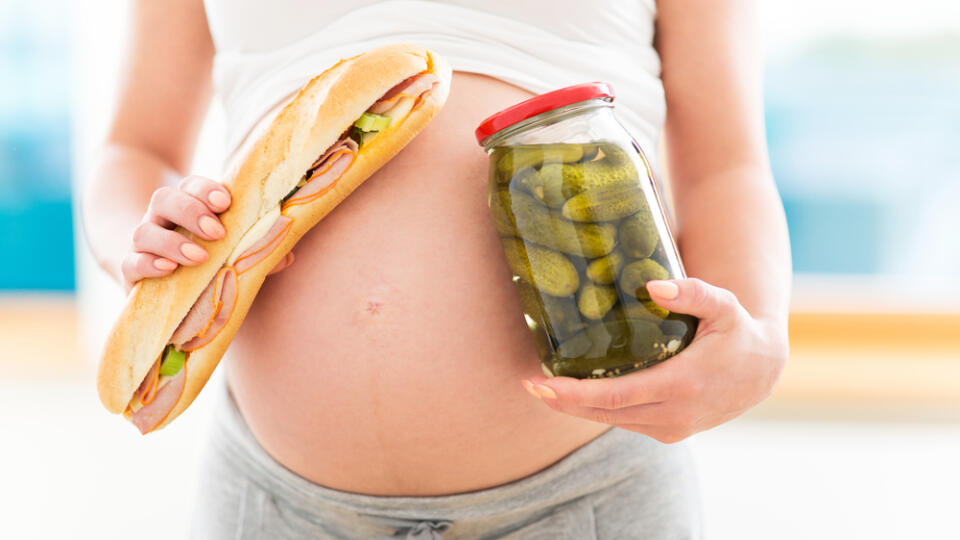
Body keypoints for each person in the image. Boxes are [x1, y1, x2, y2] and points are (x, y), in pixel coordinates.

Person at [81, 0, 791, 538]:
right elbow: (133, 149)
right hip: (277, 503)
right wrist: (139, 243)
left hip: (587, 498)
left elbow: (727, 166)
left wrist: (758, 337)